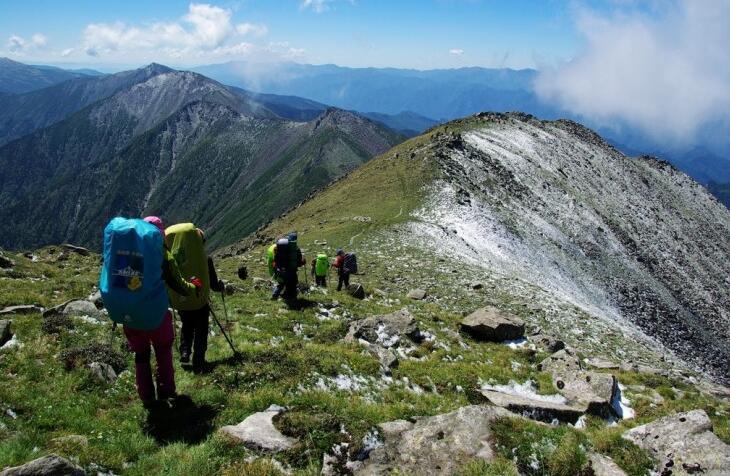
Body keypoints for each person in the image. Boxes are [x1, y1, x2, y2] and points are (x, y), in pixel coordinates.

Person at [122, 216, 200, 404]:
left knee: (141, 355)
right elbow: (178, 284)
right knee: (163, 352)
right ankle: (166, 392)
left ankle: (146, 397)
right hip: (156, 312)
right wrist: (194, 287)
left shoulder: (126, 251)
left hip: (131, 314)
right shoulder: (163, 254)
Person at [176, 228, 224, 368]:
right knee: (201, 329)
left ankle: (185, 352)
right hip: (200, 300)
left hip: (183, 299)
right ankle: (199, 360)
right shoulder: (206, 259)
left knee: (187, 326)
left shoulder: (180, 258)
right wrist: (220, 287)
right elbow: (213, 284)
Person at [273, 232, 305, 301]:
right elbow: (299, 263)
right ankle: (291, 299)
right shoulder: (296, 249)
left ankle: (275, 295)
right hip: (291, 271)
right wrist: (303, 262)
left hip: (280, 269)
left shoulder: (280, 247)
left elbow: (275, 258)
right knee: (292, 284)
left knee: (281, 283)